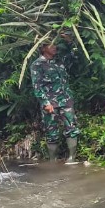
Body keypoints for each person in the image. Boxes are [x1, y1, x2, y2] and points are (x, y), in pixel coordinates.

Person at [30, 35, 80, 164]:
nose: (54, 47)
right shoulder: (37, 65)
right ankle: (53, 160)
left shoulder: (60, 61)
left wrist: (69, 41)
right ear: (43, 48)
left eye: (55, 44)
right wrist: (45, 102)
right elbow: (37, 86)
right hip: (50, 103)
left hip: (66, 100)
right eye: (51, 45)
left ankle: (72, 158)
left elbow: (74, 55)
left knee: (71, 128)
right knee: (51, 132)